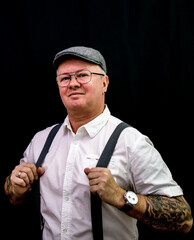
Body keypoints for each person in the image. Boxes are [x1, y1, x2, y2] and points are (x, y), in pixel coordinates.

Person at [4, 46, 193, 239]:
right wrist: (15, 186)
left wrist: (121, 197)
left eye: (82, 75)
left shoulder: (131, 142)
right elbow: (12, 196)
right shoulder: (41, 140)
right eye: (65, 78)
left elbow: (184, 218)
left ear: (105, 83)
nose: (73, 83)